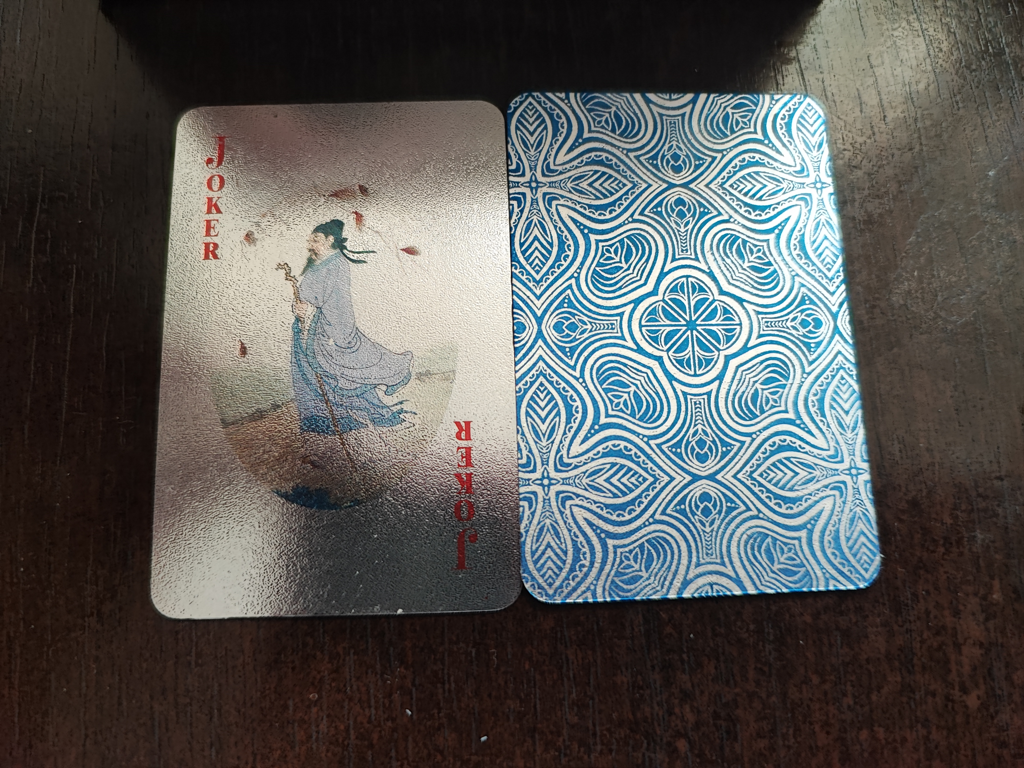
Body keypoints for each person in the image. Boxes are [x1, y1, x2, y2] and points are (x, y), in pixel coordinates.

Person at [291, 219, 412, 434]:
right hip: (311, 327)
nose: (310, 245)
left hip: (332, 330)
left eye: (316, 240)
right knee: (314, 373)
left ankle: (376, 415)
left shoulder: (336, 263)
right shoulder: (319, 263)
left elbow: (320, 298)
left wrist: (306, 308)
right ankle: (325, 418)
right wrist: (298, 308)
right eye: (310, 240)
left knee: (349, 375)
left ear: (330, 240)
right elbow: (305, 296)